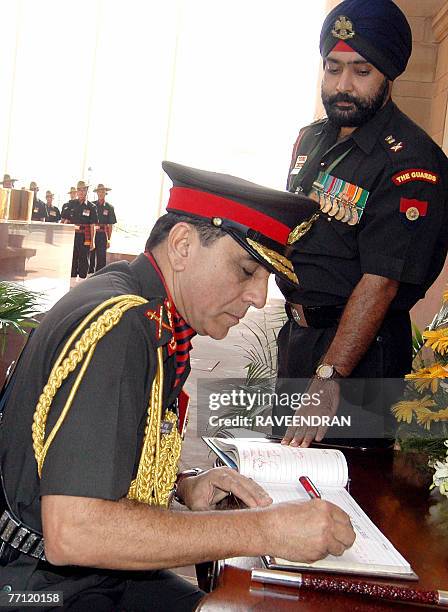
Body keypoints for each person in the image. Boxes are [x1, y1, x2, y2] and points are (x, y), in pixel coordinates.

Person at [0, 161, 355, 611]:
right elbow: (76, 531)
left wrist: (183, 486)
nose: (259, 297)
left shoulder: (153, 317)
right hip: (38, 586)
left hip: (88, 575)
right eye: (247, 271)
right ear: (183, 245)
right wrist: (267, 528)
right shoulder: (120, 327)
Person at [274, 0, 448, 448]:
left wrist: (331, 376)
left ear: (388, 74)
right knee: (282, 477)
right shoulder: (311, 139)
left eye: (361, 71)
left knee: (346, 491)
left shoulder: (410, 162)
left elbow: (381, 281)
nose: (342, 86)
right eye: (333, 69)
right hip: (300, 339)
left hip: (358, 358)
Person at [70, 180, 98, 280]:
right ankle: (72, 279)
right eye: (79, 190)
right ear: (76, 191)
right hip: (73, 235)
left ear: (87, 191)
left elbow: (92, 225)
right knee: (72, 258)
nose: (81, 192)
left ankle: (82, 280)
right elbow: (66, 220)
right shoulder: (71, 204)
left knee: (84, 259)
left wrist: (93, 241)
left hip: (85, 237)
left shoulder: (92, 207)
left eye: (83, 190)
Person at [88, 183, 117, 273]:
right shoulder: (91, 205)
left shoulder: (110, 207)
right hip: (93, 234)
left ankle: (100, 276)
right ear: (97, 193)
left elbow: (110, 225)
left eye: (102, 191)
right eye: (99, 191)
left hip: (102, 235)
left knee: (101, 257)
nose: (101, 193)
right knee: (90, 256)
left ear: (105, 193)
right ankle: (89, 276)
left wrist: (108, 239)